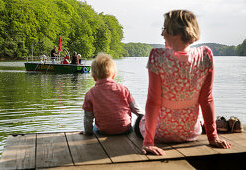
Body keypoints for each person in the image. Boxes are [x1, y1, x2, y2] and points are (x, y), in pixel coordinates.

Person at [136, 10, 231, 155]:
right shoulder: (205, 55)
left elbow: (153, 102)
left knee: (139, 120)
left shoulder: (157, 56)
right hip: (191, 133)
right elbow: (207, 99)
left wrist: (148, 142)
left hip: (160, 134)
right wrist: (212, 137)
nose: (162, 34)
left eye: (165, 29)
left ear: (176, 33)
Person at [82, 53, 144, 135]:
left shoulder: (90, 94)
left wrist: (87, 132)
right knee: (135, 121)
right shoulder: (123, 89)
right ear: (114, 75)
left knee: (95, 126)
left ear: (94, 77)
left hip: (103, 131)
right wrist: (145, 117)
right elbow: (137, 110)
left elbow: (88, 117)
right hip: (125, 129)